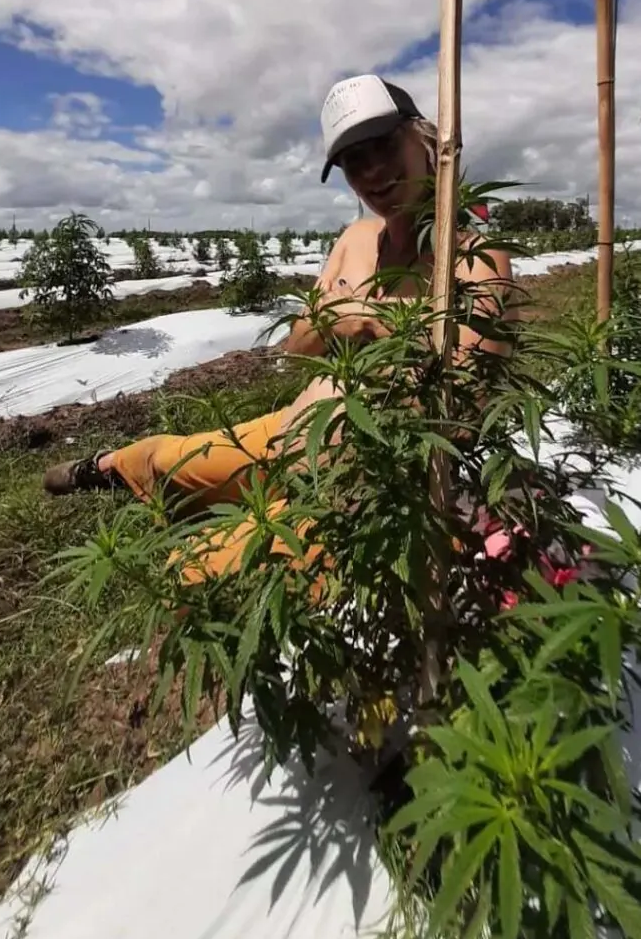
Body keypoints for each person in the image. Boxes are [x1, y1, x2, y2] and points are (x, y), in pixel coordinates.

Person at [42, 73, 515, 583]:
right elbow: (295, 353)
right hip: (300, 432)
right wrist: (331, 318)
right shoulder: (355, 240)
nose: (373, 170)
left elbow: (464, 413)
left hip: (385, 480)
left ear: (424, 139)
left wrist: (377, 324)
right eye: (353, 160)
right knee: (171, 458)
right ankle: (105, 470)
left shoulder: (472, 259)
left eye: (383, 145)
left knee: (193, 569)